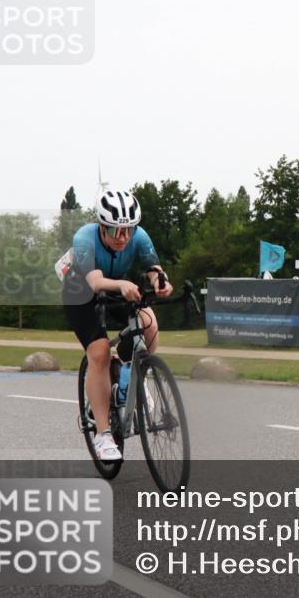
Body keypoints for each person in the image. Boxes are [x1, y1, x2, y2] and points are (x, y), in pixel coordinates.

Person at [62, 189, 173, 461]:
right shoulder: (84, 238)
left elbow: (153, 268)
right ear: (101, 226)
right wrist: (123, 283)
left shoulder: (139, 235)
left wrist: (162, 282)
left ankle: (133, 371)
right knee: (99, 351)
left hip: (116, 286)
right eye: (115, 231)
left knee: (148, 322)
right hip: (81, 291)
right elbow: (96, 283)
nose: (123, 237)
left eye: (128, 230)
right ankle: (102, 435)